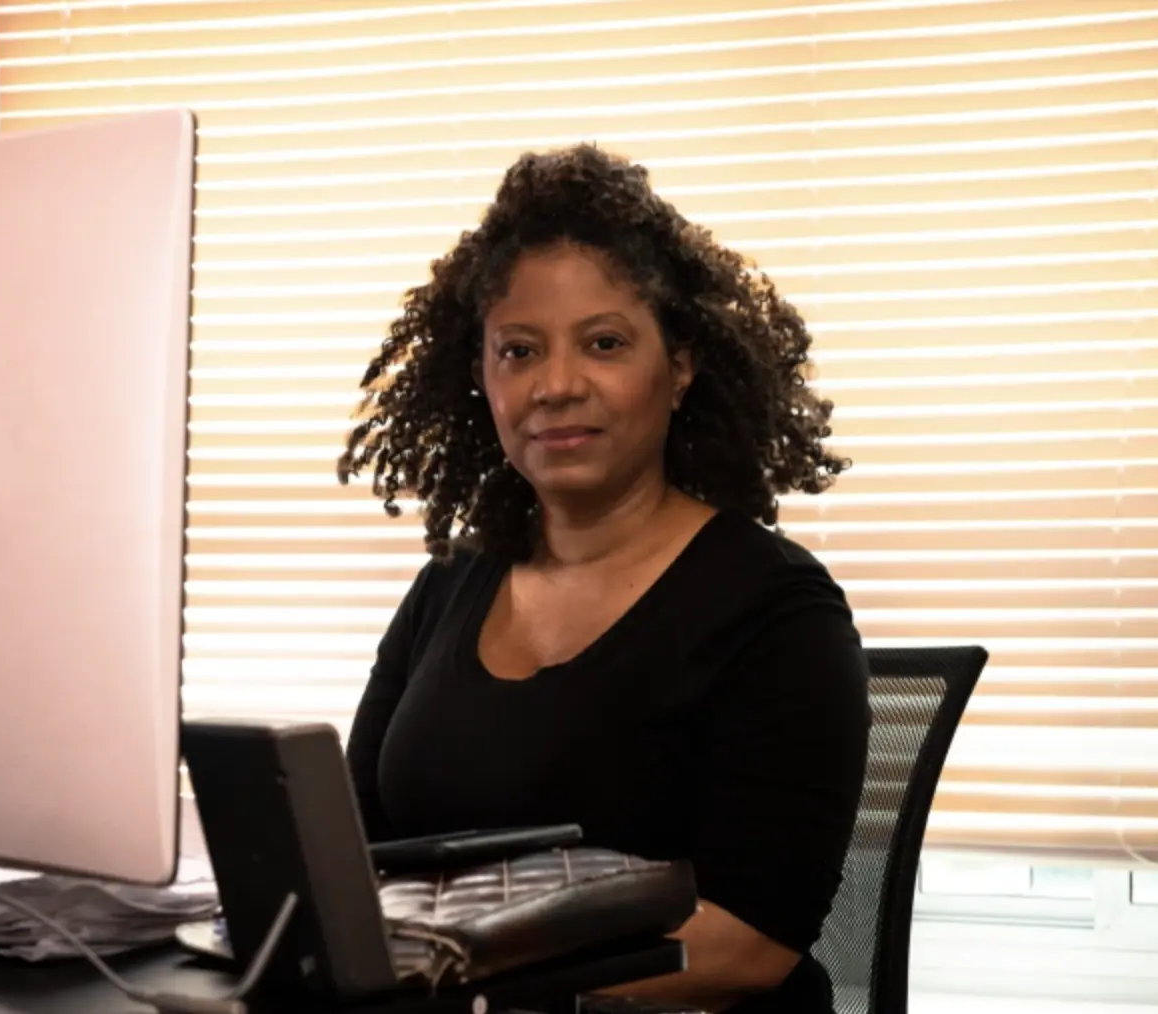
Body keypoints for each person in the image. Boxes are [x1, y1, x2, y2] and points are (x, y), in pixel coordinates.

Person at [336, 144, 872, 1014]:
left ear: (681, 367)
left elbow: (750, 943)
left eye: (605, 343)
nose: (555, 385)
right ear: (481, 377)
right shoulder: (450, 585)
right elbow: (354, 850)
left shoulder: (777, 612)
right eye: (517, 350)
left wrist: (474, 983)